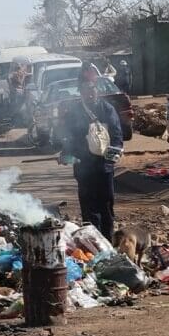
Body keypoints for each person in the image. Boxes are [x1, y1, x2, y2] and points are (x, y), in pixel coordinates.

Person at [59, 71, 124, 239]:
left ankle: (108, 243)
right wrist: (66, 155)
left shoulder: (107, 109)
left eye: (93, 88)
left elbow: (116, 135)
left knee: (106, 206)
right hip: (83, 168)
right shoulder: (73, 113)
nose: (90, 92)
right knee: (89, 208)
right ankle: (94, 244)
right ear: (80, 91)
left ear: (97, 89)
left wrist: (112, 156)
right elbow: (68, 137)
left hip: (104, 167)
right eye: (86, 89)